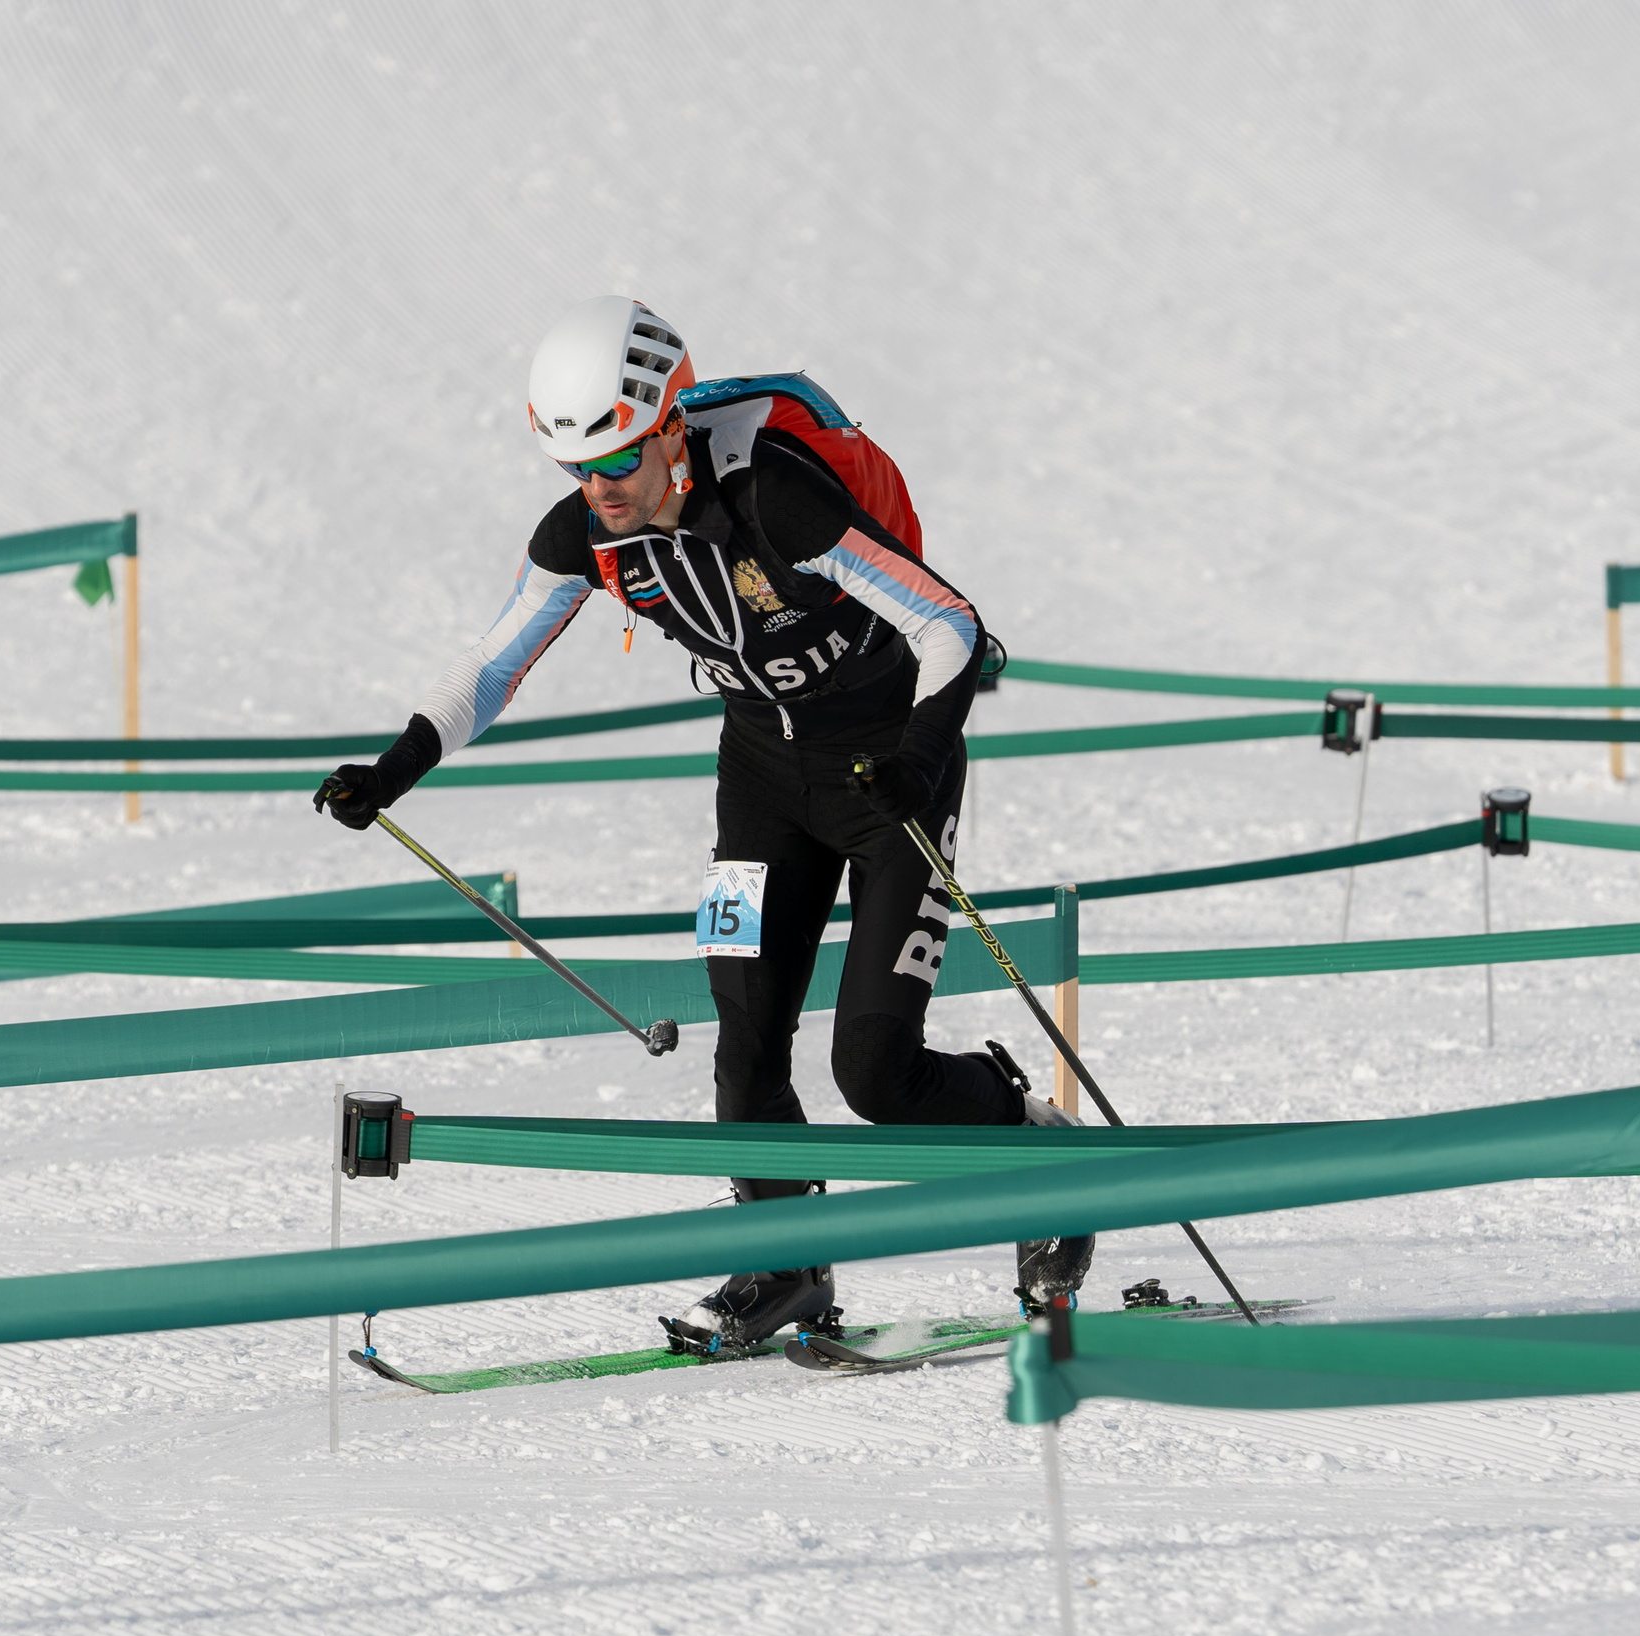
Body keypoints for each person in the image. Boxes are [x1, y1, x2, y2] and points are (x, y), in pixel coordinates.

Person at [316, 295, 1090, 1351]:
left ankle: (1044, 1164)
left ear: (672, 425)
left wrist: (913, 757)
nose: (602, 490)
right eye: (578, 471)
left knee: (876, 1073)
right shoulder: (588, 533)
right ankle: (783, 1263)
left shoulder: (777, 498)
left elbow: (951, 623)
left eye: (623, 460)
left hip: (885, 777)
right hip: (761, 785)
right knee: (745, 1042)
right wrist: (394, 767)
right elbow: (493, 663)